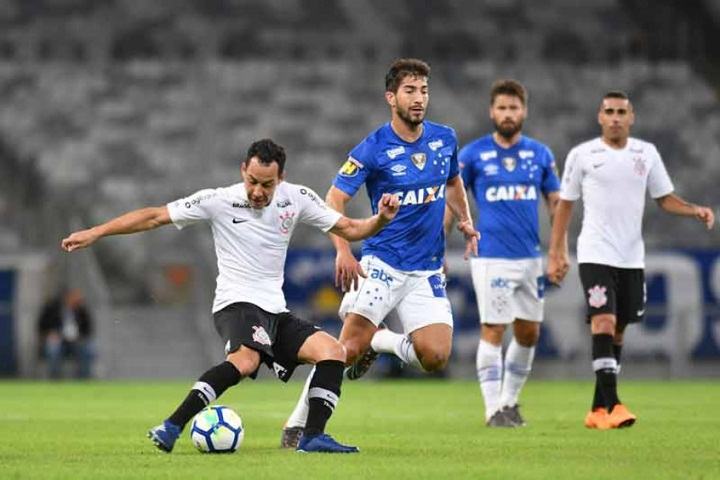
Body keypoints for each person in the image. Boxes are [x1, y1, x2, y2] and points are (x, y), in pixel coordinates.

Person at [61, 138, 401, 453]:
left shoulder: (297, 198)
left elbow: (352, 228)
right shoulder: (218, 200)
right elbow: (153, 217)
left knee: (333, 352)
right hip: (236, 304)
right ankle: (171, 426)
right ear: (243, 170)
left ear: (281, 178)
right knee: (245, 361)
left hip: (274, 311)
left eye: (266, 184)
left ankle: (312, 437)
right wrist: (96, 232)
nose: (257, 190)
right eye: (252, 180)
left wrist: (381, 219)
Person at [281, 58, 478, 447]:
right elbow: (334, 197)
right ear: (391, 97)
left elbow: (453, 183)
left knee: (435, 357)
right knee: (346, 350)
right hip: (381, 264)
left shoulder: (445, 139)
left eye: (423, 90)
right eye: (410, 90)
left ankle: (382, 341)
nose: (419, 98)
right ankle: (296, 425)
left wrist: (466, 221)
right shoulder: (373, 148)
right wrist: (343, 249)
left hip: (425, 270)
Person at [547, 91, 715, 430]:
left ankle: (596, 411)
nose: (615, 117)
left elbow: (664, 199)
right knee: (603, 323)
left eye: (621, 112)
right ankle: (615, 405)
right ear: (599, 117)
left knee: (619, 331)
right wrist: (557, 250)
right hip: (595, 253)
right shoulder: (582, 155)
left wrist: (694, 210)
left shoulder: (646, 153)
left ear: (631, 117)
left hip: (631, 258)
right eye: (609, 111)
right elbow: (565, 205)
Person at [448, 79, 560, 427]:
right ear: (491, 112)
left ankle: (510, 402)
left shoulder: (540, 154)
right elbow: (453, 203)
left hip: (530, 257)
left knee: (529, 333)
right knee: (493, 328)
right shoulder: (472, 155)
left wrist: (559, 250)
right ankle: (492, 409)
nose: (508, 114)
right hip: (491, 255)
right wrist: (437, 247)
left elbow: (556, 205)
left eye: (514, 108)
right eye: (502, 108)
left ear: (523, 111)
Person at [37, 288, 95, 379]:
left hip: (76, 341)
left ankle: (84, 379)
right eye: (75, 298)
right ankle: (55, 379)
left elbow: (88, 329)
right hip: (58, 341)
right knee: (53, 350)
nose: (78, 300)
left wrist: (80, 337)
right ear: (67, 297)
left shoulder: (81, 310)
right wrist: (51, 334)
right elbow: (41, 327)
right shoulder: (52, 308)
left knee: (87, 349)